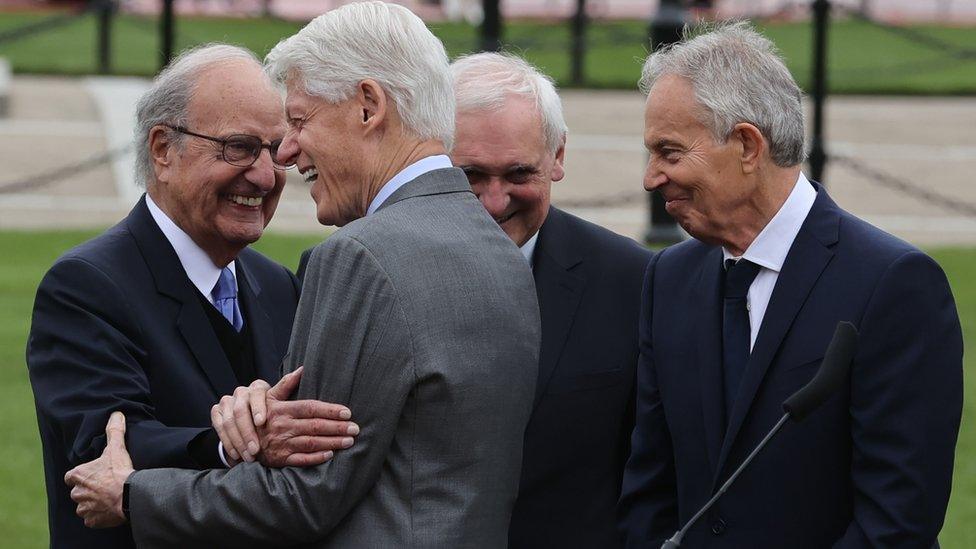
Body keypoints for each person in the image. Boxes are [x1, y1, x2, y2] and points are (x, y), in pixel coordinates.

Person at [64, 3, 541, 548]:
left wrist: (132, 495)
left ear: (368, 106)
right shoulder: (501, 246)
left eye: (298, 121)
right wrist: (255, 416)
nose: (285, 156)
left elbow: (304, 492)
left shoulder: (361, 256)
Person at [618, 22, 963, 548]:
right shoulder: (668, 278)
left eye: (669, 152)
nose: (650, 177)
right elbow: (649, 488)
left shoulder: (895, 284)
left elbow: (897, 520)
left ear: (748, 147)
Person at [27, 44, 358, 548]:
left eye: (274, 150)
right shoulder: (85, 287)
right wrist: (233, 443)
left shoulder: (277, 285)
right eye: (239, 148)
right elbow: (107, 446)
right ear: (163, 150)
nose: (265, 176)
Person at [449, 52, 652, 548]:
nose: (495, 201)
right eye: (471, 174)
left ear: (558, 156)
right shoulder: (370, 273)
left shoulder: (634, 281)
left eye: (519, 174)